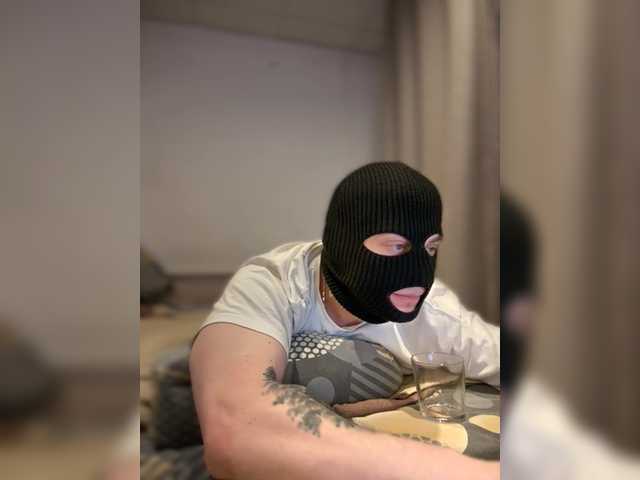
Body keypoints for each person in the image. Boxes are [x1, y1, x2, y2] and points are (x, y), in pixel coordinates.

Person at [190, 162, 500, 480]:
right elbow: (235, 427)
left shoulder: (435, 314)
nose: (419, 272)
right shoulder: (273, 284)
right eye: (396, 246)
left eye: (430, 248)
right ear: (345, 241)